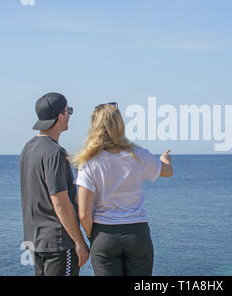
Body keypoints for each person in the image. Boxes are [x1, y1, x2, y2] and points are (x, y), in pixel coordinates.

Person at [72, 102, 173, 276]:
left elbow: (83, 214)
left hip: (104, 234)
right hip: (137, 234)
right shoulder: (139, 155)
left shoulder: (88, 163)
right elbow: (167, 172)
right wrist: (165, 158)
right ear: (120, 125)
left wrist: (94, 237)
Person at [19, 92, 89, 276]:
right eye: (69, 111)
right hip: (58, 244)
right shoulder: (55, 153)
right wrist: (80, 241)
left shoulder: (27, 149)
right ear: (60, 117)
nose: (69, 115)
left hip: (36, 241)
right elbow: (60, 202)